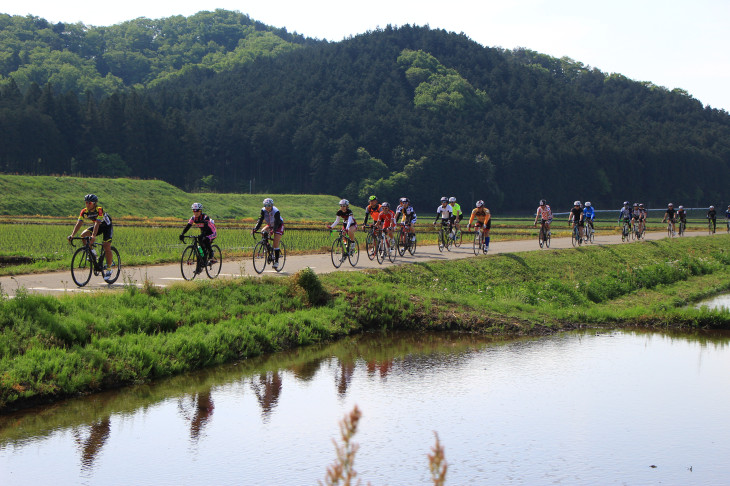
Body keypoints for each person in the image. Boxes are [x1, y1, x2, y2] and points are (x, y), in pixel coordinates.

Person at [67, 194, 114, 281]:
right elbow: (79, 223)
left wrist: (93, 236)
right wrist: (72, 235)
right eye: (86, 202)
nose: (87, 204)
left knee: (106, 246)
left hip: (106, 227)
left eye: (89, 203)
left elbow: (97, 223)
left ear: (94, 203)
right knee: (83, 235)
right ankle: (93, 254)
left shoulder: (99, 210)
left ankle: (109, 269)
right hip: (98, 226)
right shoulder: (84, 211)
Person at [180, 203, 217, 268]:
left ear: (200, 211)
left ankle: (211, 253)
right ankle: (201, 264)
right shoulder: (193, 218)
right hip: (204, 232)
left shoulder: (205, 217)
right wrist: (182, 234)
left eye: (197, 211)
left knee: (206, 239)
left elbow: (205, 228)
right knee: (200, 246)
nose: (195, 212)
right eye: (194, 211)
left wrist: (202, 235)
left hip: (211, 232)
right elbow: (188, 226)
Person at [252, 198, 284, 269]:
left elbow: (276, 223)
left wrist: (273, 231)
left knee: (275, 242)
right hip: (270, 225)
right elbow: (260, 220)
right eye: (266, 205)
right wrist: (255, 229)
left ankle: (276, 262)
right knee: (262, 231)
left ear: (272, 205)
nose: (267, 207)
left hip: (278, 225)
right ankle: (267, 247)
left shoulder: (276, 211)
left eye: (269, 205)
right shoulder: (263, 210)